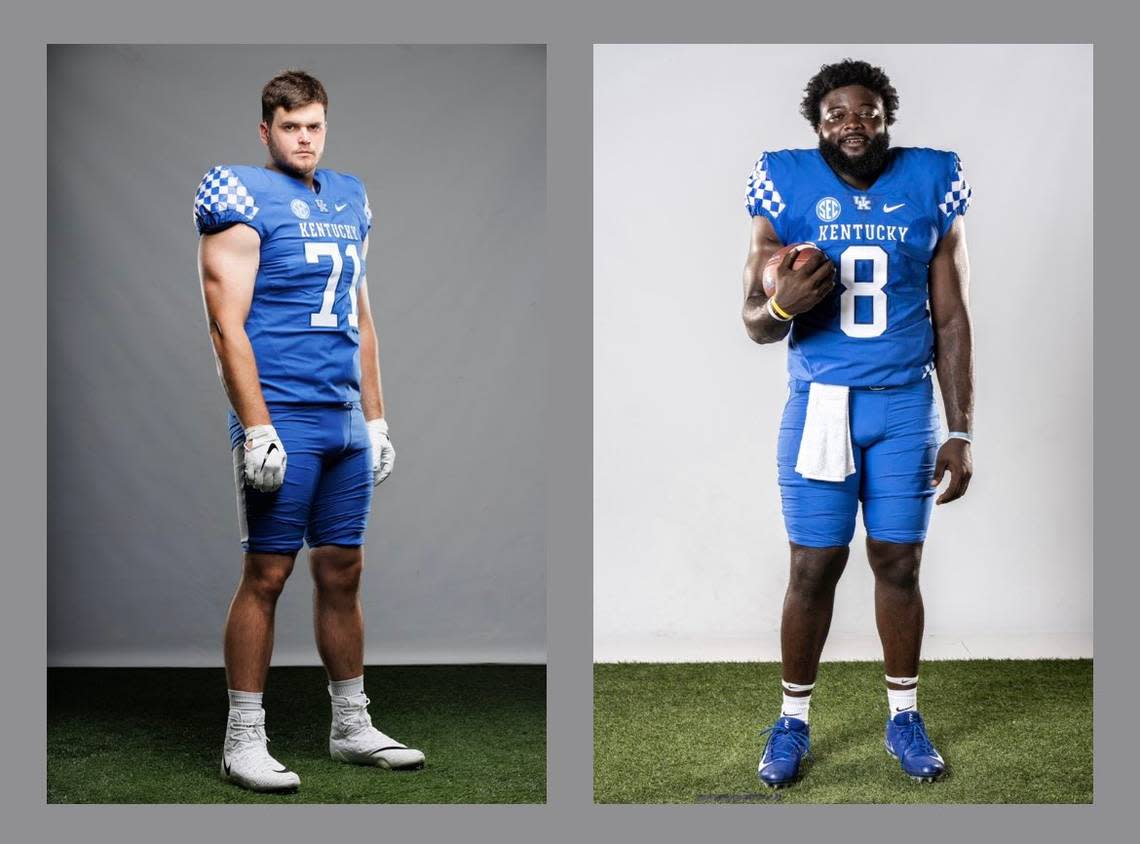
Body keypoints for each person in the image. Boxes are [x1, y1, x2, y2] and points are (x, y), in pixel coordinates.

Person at [741, 59, 974, 787]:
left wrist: (960, 429)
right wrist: (782, 303)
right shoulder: (785, 184)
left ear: (885, 118)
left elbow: (953, 317)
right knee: (813, 567)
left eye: (867, 113)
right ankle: (792, 722)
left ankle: (903, 715)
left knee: (899, 563)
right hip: (821, 407)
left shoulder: (931, 181)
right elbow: (753, 321)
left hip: (905, 404)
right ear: (817, 123)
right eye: (839, 114)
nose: (854, 125)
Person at [195, 69, 424, 793]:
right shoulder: (240, 195)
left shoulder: (350, 195)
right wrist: (257, 427)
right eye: (290, 127)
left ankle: (351, 726)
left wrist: (377, 414)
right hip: (284, 414)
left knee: (342, 570)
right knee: (267, 573)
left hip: (343, 416)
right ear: (266, 130)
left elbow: (362, 315)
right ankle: (243, 740)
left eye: (314, 126)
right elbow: (224, 322)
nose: (303, 138)